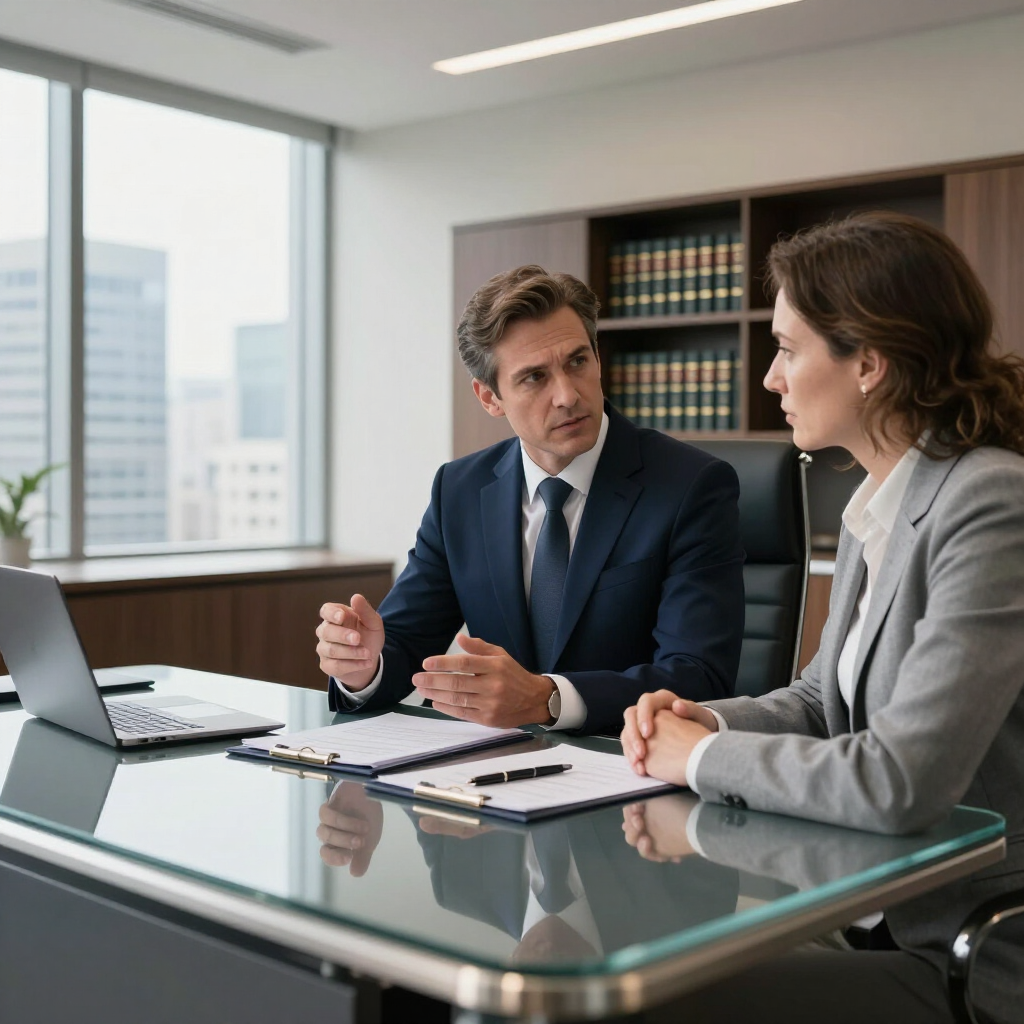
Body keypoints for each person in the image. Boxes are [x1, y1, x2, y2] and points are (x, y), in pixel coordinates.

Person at [622, 211, 1024, 1023]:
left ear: (868, 363)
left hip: (963, 953)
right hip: (862, 912)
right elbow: (816, 701)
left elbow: (898, 781)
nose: (771, 377)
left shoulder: (990, 500)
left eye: (787, 348)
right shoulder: (874, 504)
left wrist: (698, 759)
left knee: (642, 996)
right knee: (626, 952)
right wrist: (706, 718)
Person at [316, 266, 745, 735]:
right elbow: (404, 642)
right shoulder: (458, 490)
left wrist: (548, 699)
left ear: (598, 356)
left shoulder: (691, 485)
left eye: (578, 361)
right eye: (534, 378)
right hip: (498, 774)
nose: (567, 395)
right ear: (489, 397)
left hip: (632, 767)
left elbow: (698, 676)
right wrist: (362, 667)